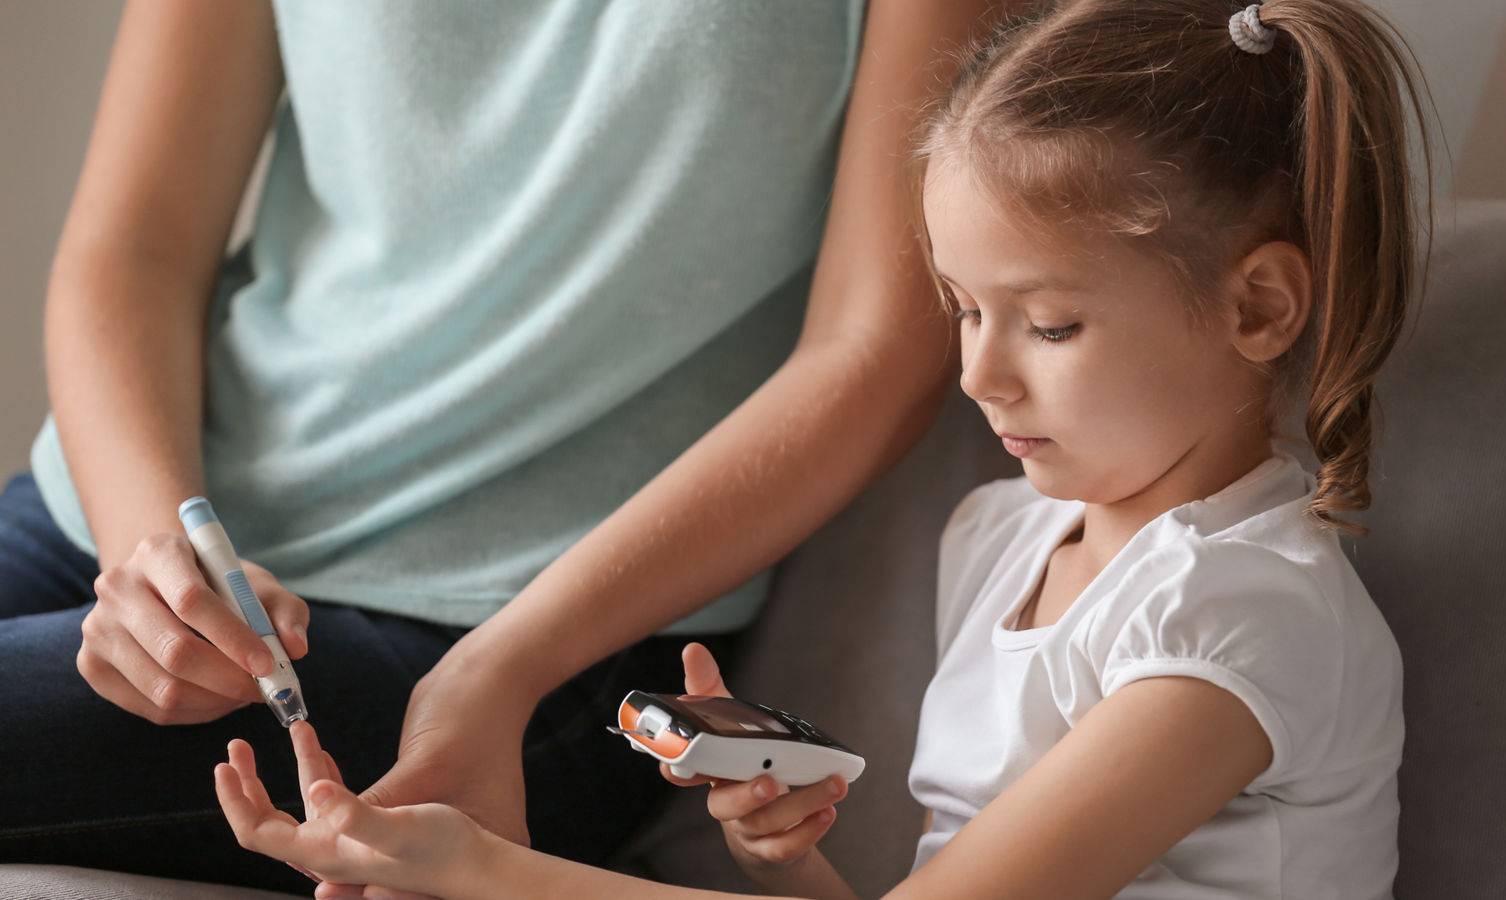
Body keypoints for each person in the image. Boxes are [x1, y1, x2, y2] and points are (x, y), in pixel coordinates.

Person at [210, 0, 1436, 897]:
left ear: (1261, 309)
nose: (975, 372)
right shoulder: (1004, 533)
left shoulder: (1242, 620)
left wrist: (483, 870)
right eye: (962, 307)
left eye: (1049, 323)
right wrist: (781, 852)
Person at [0, 0, 1014, 893]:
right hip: (115, 514)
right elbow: (137, 243)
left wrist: (496, 672)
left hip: (521, 639)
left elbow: (877, 352)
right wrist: (151, 555)